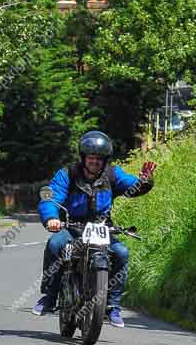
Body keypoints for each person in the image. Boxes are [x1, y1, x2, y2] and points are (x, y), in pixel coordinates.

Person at [33, 130, 157, 327]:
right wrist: (51, 218)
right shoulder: (68, 174)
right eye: (91, 158)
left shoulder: (112, 174)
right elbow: (52, 199)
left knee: (121, 253)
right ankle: (50, 296)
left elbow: (132, 188)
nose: (95, 162)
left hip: (102, 228)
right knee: (55, 244)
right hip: (73, 226)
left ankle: (112, 306)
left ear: (105, 160)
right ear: (84, 158)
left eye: (99, 159)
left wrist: (144, 181)